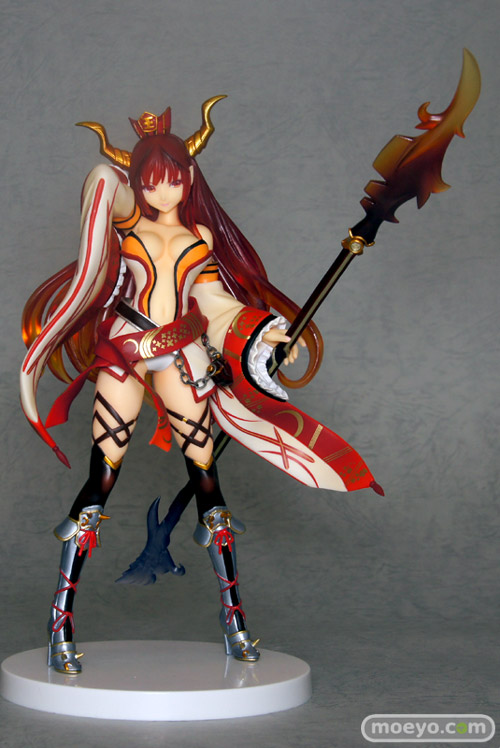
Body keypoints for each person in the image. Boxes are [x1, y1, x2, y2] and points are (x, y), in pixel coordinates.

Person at [20, 98, 380, 675]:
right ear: (139, 183)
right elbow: (104, 194)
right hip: (126, 352)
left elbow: (213, 303)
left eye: (172, 179)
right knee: (101, 478)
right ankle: (59, 621)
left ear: (189, 177)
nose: (162, 192)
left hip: (183, 355)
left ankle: (233, 620)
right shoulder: (124, 227)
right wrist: (110, 174)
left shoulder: (200, 237)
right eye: (150, 181)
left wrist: (263, 330)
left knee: (207, 481)